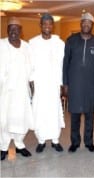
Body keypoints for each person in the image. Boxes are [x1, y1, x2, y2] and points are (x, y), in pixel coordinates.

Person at [62, 12, 94, 153]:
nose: (86, 24)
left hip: (90, 85)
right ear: (80, 24)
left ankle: (89, 142)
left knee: (89, 115)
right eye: (84, 22)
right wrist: (65, 84)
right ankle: (74, 142)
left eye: (89, 22)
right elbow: (65, 63)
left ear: (92, 25)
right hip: (74, 84)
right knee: (74, 115)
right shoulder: (71, 40)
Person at [29, 13, 65, 153]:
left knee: (54, 112)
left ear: (53, 26)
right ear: (41, 25)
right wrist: (32, 85)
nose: (47, 26)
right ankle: (41, 140)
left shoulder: (59, 43)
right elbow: (30, 65)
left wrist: (62, 84)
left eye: (50, 24)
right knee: (40, 112)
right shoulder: (33, 43)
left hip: (54, 84)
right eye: (45, 24)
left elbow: (63, 65)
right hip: (39, 84)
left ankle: (55, 140)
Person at [0, 17, 33, 161]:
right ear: (7, 30)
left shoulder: (26, 47)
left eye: (16, 29)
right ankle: (3, 146)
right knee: (5, 120)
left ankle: (19, 144)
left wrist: (32, 86)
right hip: (5, 91)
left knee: (21, 118)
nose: (13, 31)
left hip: (22, 91)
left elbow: (31, 68)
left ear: (21, 31)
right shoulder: (1, 45)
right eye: (10, 29)